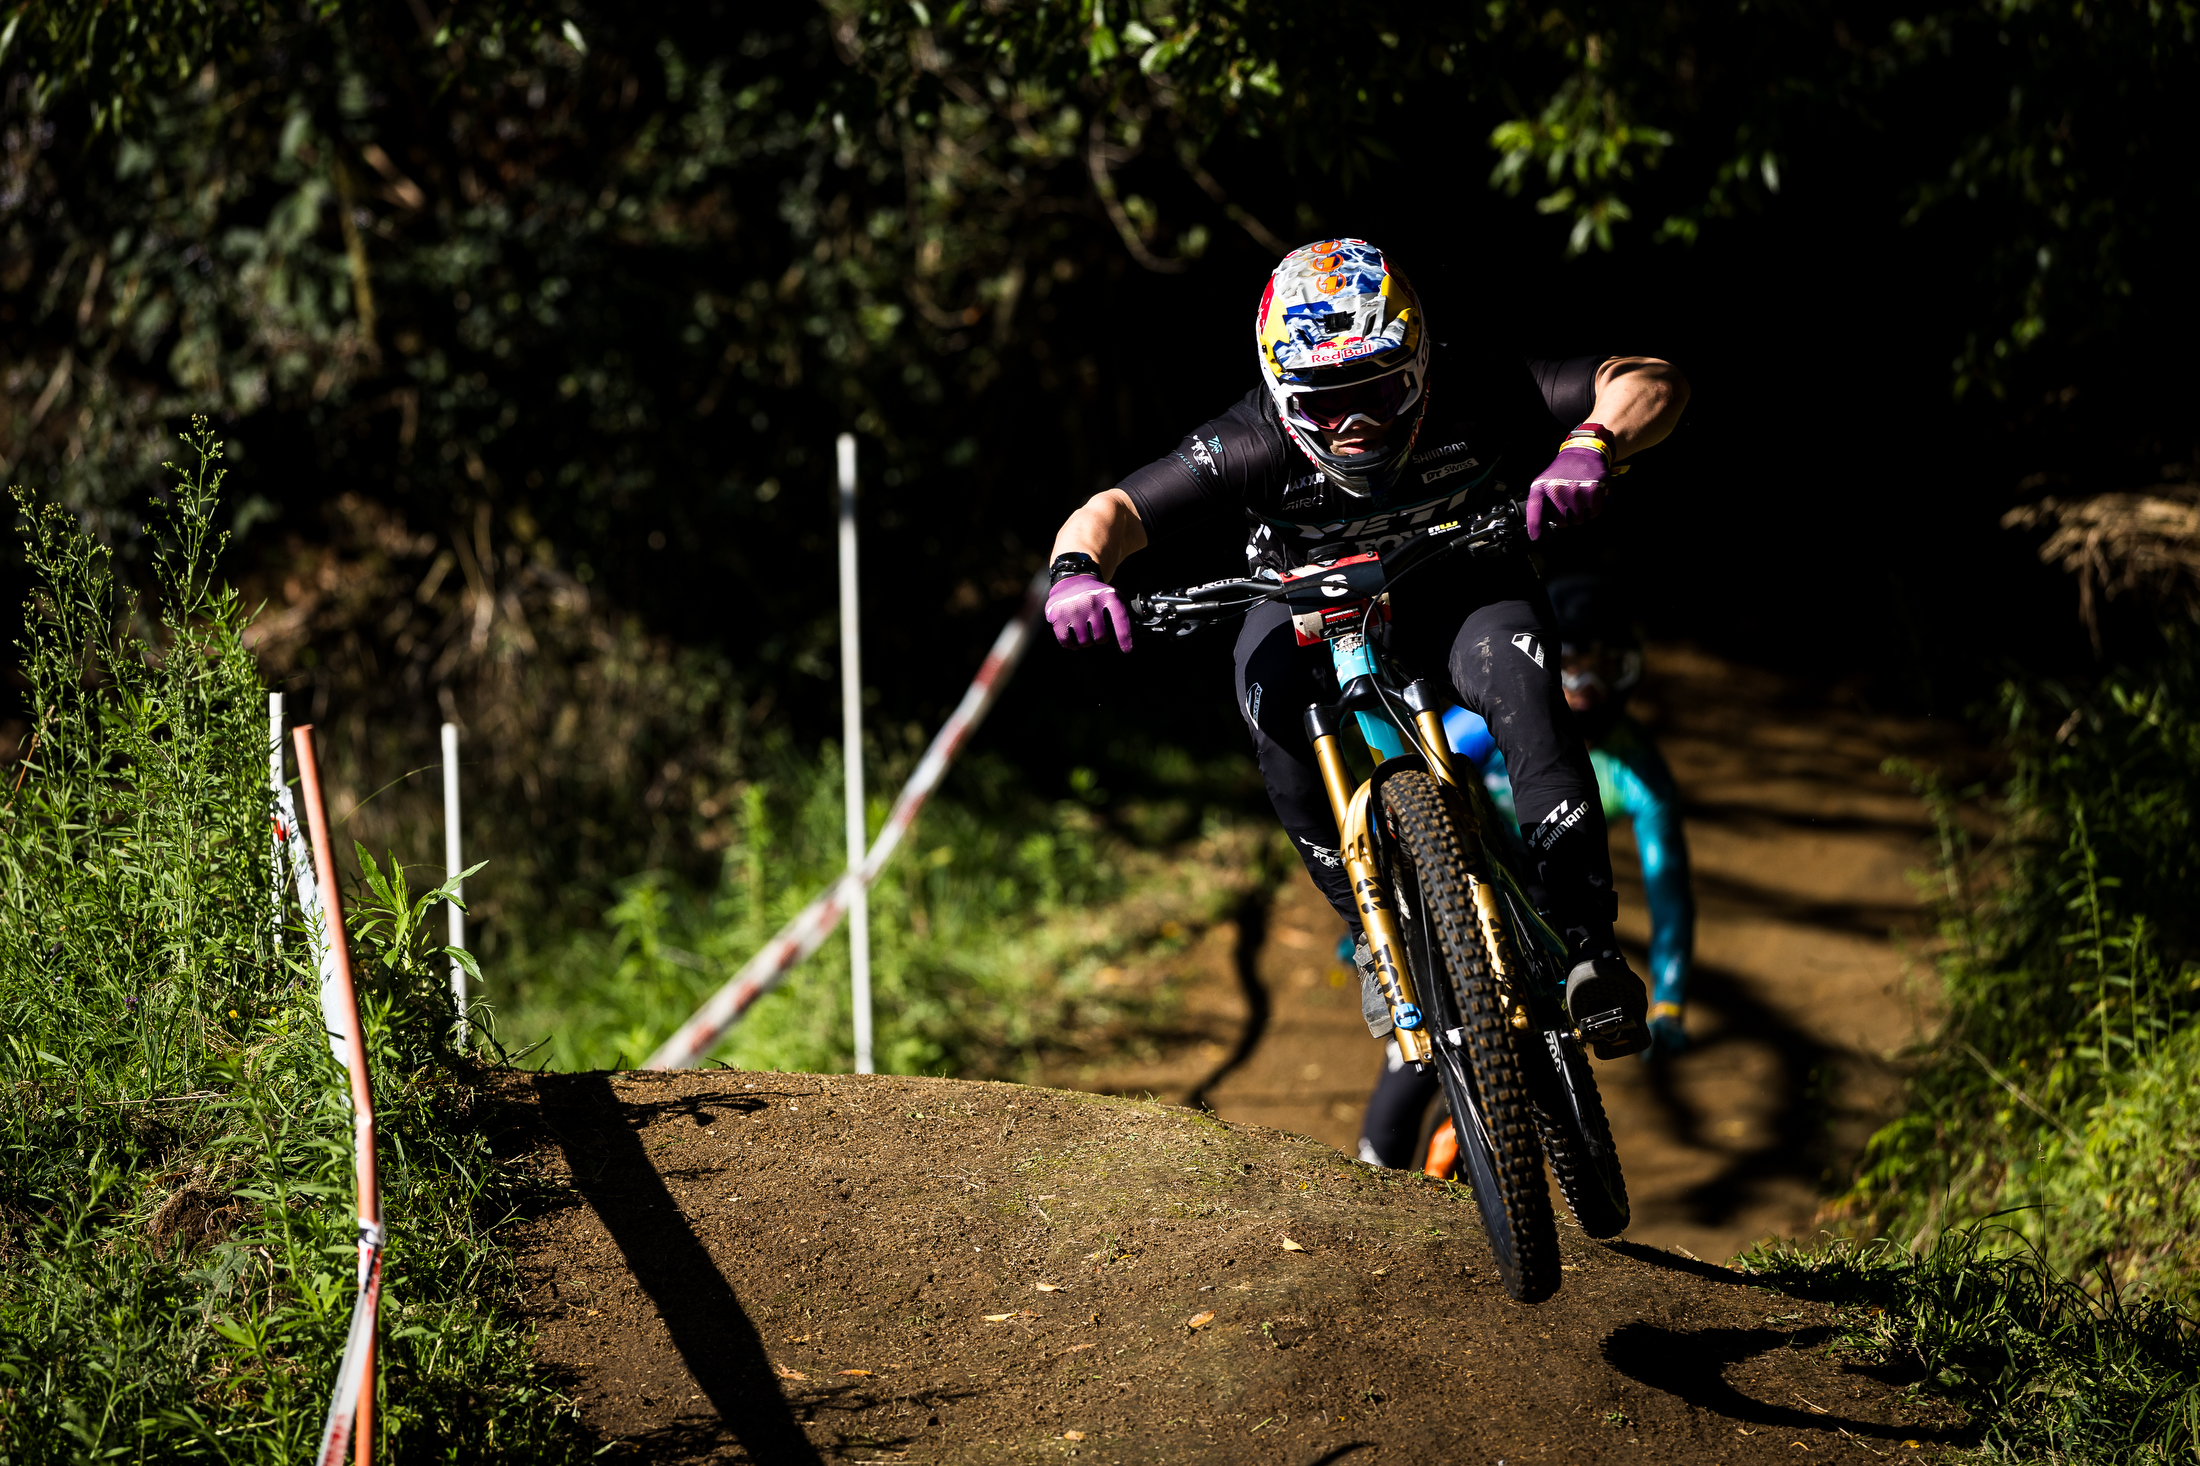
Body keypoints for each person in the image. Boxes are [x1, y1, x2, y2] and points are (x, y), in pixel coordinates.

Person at [1043, 238, 1689, 1064]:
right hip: (1301, 604)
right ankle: (1369, 932)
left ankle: (1590, 946)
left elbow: (1651, 379)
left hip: (1459, 584)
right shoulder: (1250, 440)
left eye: (1379, 390)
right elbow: (1114, 510)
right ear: (1280, 400)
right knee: (1274, 720)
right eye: (1322, 404)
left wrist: (1592, 444)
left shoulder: (1478, 385)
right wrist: (1076, 573)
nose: (1355, 427)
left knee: (1526, 695)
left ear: (1420, 363)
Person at [1358, 574, 1698, 1170]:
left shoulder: (1643, 767)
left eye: (1604, 668)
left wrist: (1670, 999)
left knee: (1543, 1029)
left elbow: (1669, 888)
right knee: (1418, 1055)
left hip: (1548, 895)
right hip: (1464, 875)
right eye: (1571, 667)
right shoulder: (1517, 728)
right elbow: (1410, 803)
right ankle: (1378, 1167)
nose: (1587, 688)